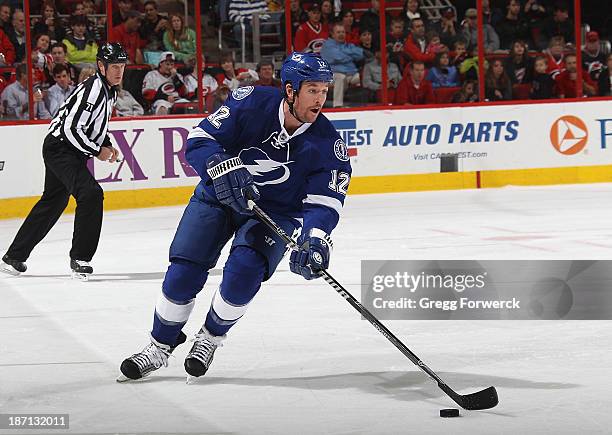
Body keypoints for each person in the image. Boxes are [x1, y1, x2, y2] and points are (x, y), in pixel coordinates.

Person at [117, 52, 352, 382]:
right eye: (312, 90)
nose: (320, 99)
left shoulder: (328, 144)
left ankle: (210, 338)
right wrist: (220, 166)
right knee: (184, 270)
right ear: (290, 90)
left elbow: (325, 202)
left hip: (275, 212)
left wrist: (315, 238)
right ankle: (159, 346)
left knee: (244, 272)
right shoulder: (252, 101)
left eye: (324, 91)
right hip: (218, 195)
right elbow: (200, 139)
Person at [0, 43, 126, 279]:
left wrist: (105, 142)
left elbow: (95, 125)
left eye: (122, 66)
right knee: (90, 194)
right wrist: (97, 150)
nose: (119, 71)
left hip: (68, 149)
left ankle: (14, 256)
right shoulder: (94, 89)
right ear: (101, 65)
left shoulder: (111, 90)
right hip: (60, 148)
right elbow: (70, 129)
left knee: (53, 202)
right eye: (114, 66)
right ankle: (80, 258)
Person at [320, 22, 364, 107]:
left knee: (361, 77)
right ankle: (338, 105)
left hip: (350, 74)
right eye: (338, 32)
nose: (341, 34)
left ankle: (362, 106)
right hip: (331, 77)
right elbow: (338, 57)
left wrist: (345, 53)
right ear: (332, 34)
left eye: (343, 32)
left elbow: (360, 54)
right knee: (340, 77)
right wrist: (351, 56)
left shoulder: (348, 45)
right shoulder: (327, 45)